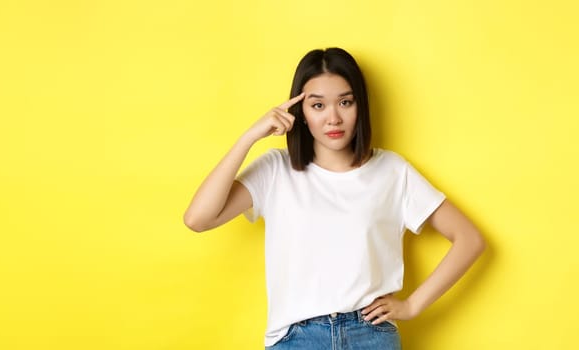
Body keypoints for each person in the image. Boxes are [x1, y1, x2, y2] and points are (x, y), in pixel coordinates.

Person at [183, 47, 486, 349]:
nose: (334, 118)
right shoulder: (276, 170)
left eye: (345, 102)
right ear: (300, 112)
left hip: (370, 335)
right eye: (318, 105)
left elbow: (469, 238)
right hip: (296, 339)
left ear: (360, 106)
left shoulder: (391, 171)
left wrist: (412, 305)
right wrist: (250, 136)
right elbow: (198, 219)